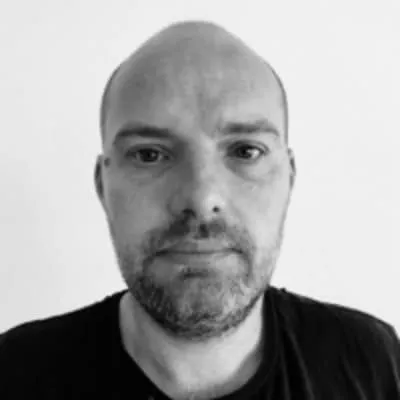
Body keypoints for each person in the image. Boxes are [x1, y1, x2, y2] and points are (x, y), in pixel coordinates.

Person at [0, 20, 399, 400]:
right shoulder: (15, 374)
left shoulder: (372, 363)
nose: (201, 198)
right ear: (103, 186)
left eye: (245, 151)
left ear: (288, 179)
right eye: (149, 154)